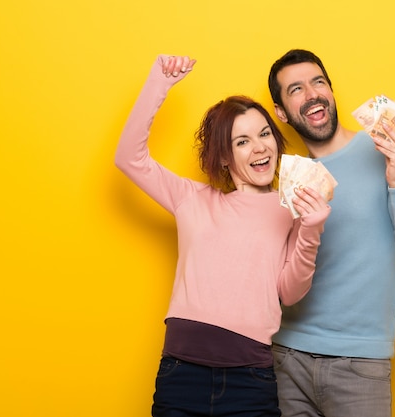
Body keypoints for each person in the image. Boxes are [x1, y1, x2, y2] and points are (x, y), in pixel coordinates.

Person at [115, 54, 331, 417]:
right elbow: (128, 158)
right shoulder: (192, 199)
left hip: (251, 381)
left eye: (264, 134)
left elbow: (290, 292)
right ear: (226, 158)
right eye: (242, 141)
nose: (260, 147)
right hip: (181, 374)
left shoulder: (290, 209)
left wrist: (311, 228)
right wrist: (159, 84)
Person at [267, 49, 395, 416]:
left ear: (330, 91)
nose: (311, 93)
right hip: (286, 360)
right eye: (295, 89)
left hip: (361, 363)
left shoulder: (388, 154)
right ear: (282, 112)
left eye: (318, 82)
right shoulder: (286, 181)